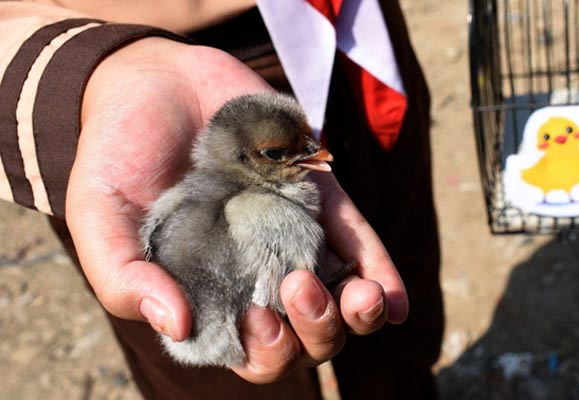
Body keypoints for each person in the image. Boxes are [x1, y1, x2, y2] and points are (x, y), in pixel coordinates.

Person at [0, 1, 443, 398]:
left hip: (349, 31)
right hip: (113, 62)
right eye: (276, 157)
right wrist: (73, 66)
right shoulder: (226, 202)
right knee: (226, 384)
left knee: (395, 323)